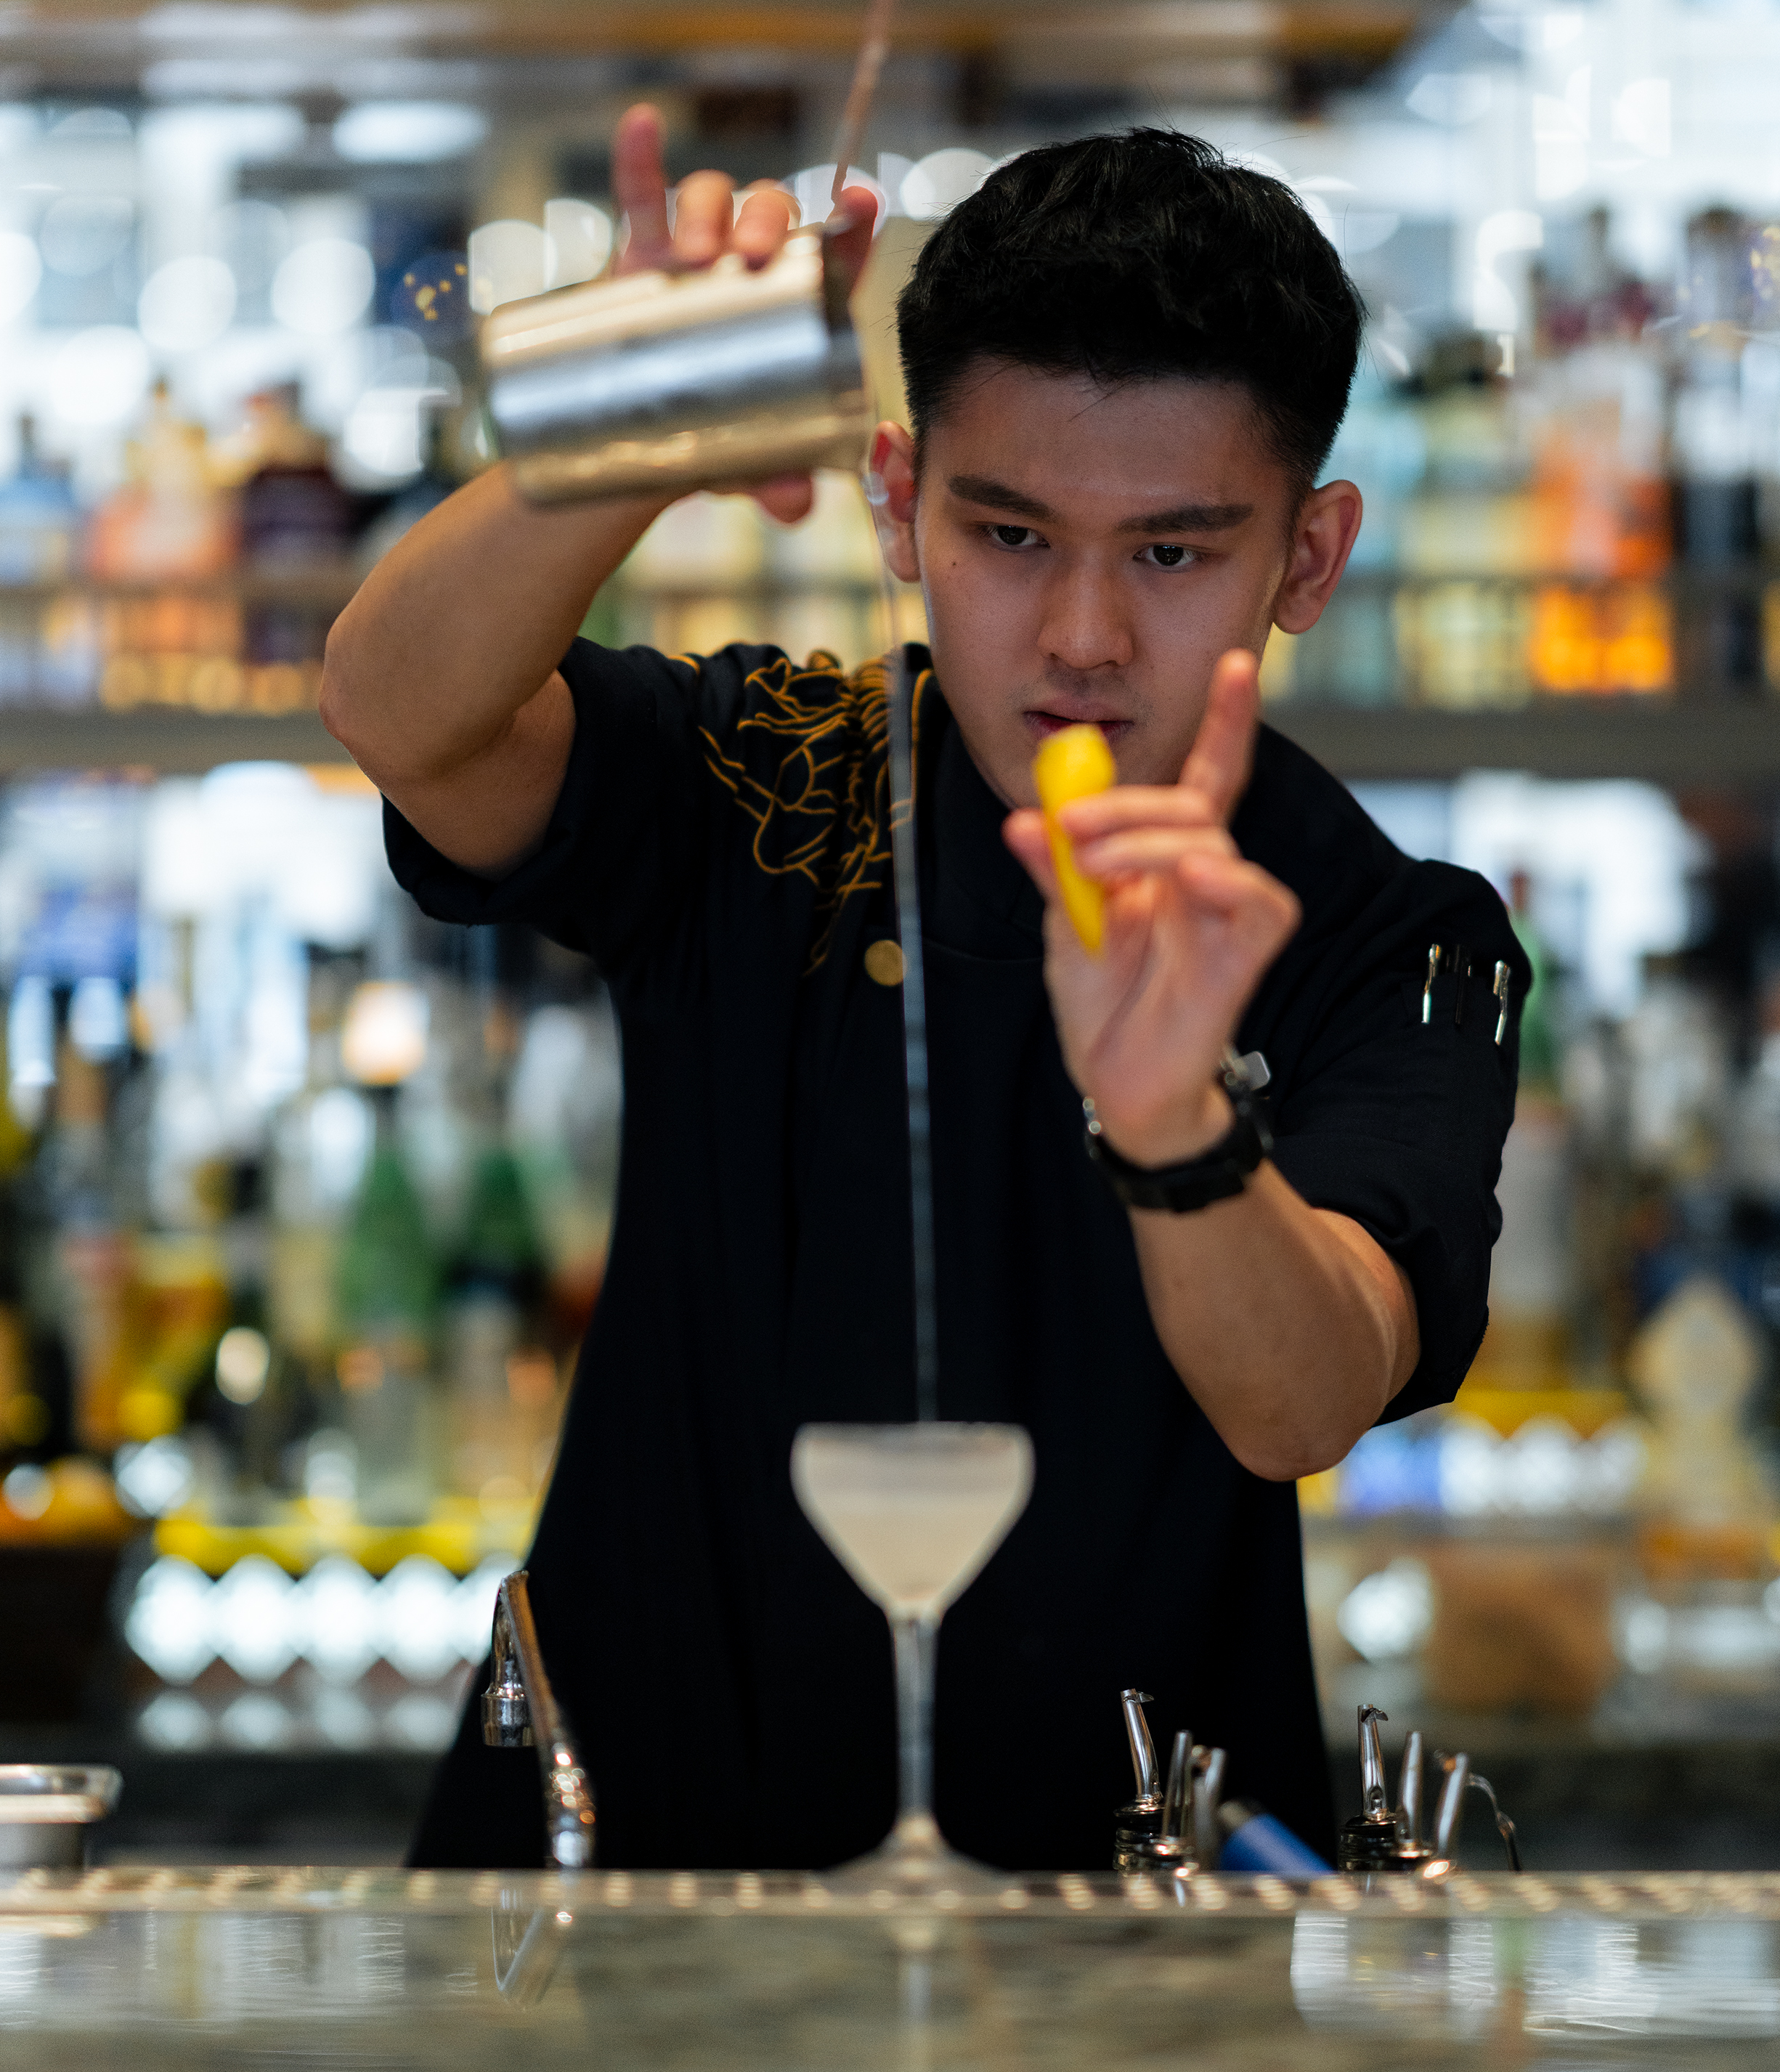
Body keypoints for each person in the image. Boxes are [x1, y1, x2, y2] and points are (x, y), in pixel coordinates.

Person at [320, 116, 1523, 1871]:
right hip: (619, 1903)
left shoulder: (1379, 930)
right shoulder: (762, 779)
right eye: (1010, 534)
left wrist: (1174, 1123)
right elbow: (395, 711)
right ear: (897, 502)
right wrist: (612, 444)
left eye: (1175, 552)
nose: (1082, 634)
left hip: (1139, 1940)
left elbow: (1305, 1392)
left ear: (1308, 558)